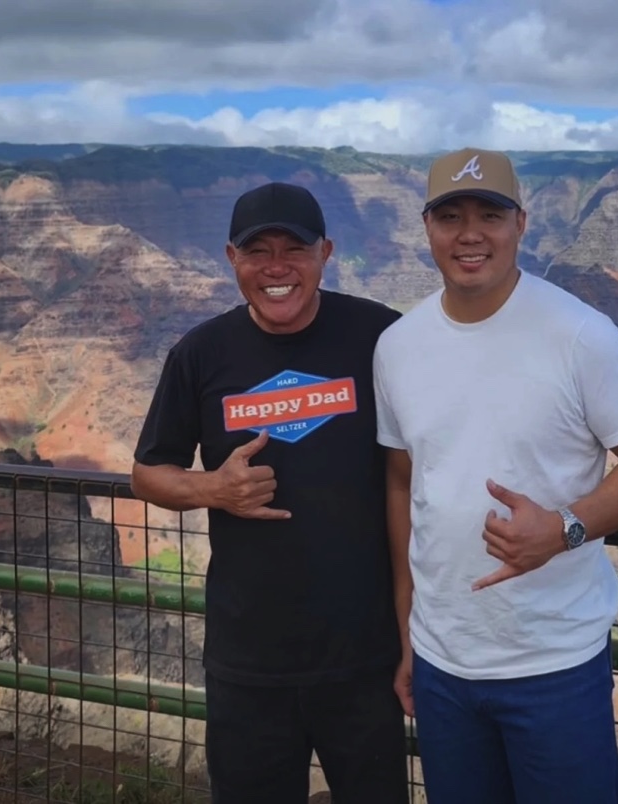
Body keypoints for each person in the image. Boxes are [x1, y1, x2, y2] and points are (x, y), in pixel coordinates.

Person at [373, 148, 618, 804]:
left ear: (520, 221)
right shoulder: (398, 346)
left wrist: (565, 528)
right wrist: (406, 629)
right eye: (450, 216)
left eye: (489, 214)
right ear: (425, 227)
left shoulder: (578, 335)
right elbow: (403, 481)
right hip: (441, 664)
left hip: (553, 665)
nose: (469, 234)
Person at [131, 181, 409, 804]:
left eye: (295, 249)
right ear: (232, 258)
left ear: (326, 253)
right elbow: (148, 473)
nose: (276, 268)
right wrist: (214, 488)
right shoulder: (200, 353)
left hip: (364, 657)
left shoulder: (379, 335)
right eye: (258, 251)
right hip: (248, 661)